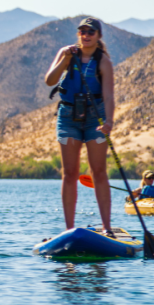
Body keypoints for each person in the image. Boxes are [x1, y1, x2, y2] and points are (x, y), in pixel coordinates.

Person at [44, 17, 116, 236]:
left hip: (96, 119)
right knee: (70, 173)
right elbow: (49, 80)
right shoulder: (66, 53)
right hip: (68, 117)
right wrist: (64, 60)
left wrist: (109, 122)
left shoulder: (103, 61)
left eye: (91, 32)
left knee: (99, 172)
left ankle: (107, 227)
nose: (86, 35)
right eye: (82, 31)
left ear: (98, 36)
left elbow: (109, 96)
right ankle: (69, 230)